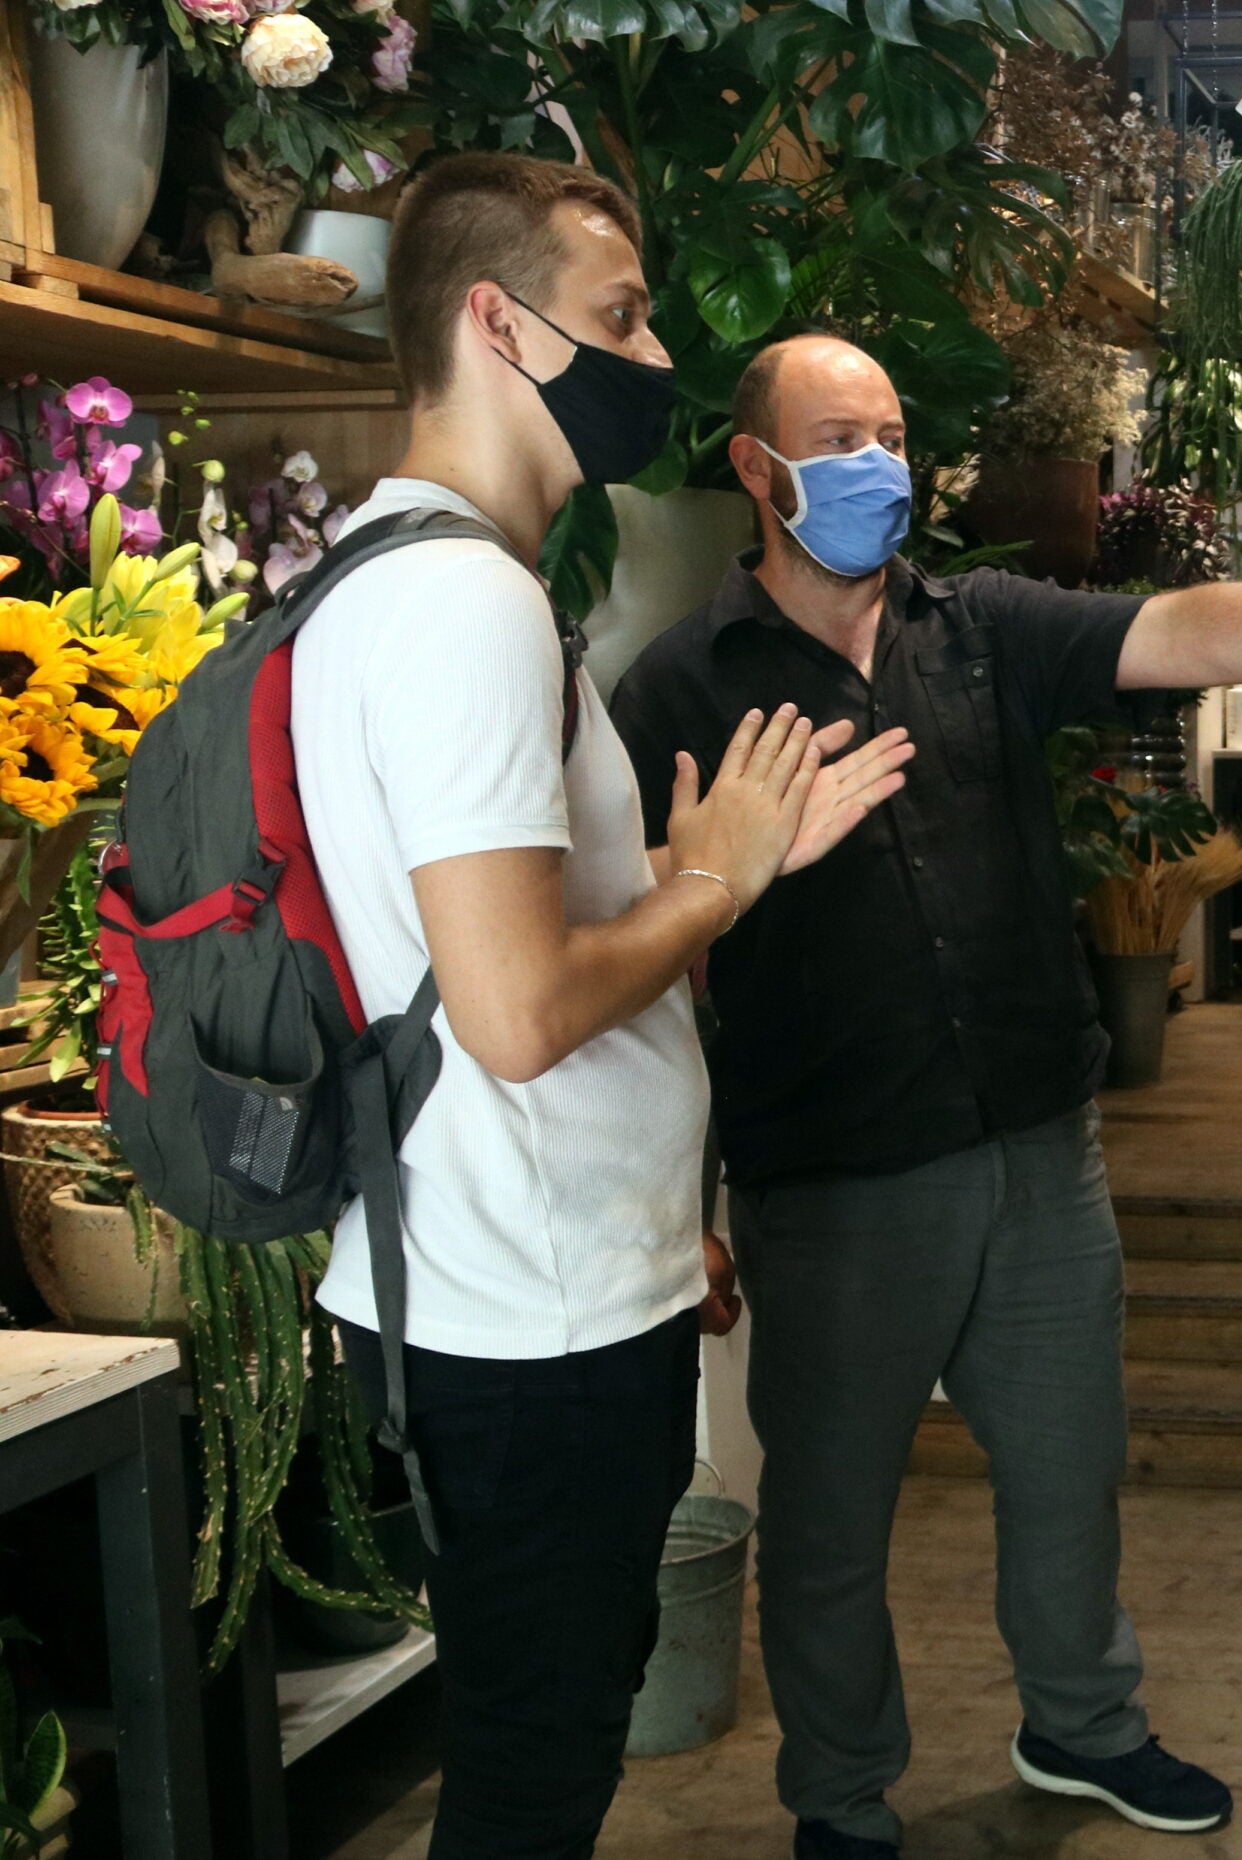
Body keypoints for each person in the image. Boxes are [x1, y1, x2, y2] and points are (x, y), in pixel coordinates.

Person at [608, 330, 1242, 1859]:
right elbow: (639, 956)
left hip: (1039, 1147)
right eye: (840, 440)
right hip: (830, 1182)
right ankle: (839, 1795)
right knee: (826, 1524)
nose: (877, 466)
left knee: (1068, 1468)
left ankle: (1081, 1726)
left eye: (893, 433)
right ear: (758, 471)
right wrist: (664, 1212)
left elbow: (1184, 627)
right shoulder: (681, 688)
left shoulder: (981, 629)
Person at [298, 159, 915, 1859]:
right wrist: (711, 882)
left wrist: (727, 853)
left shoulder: (388, 570)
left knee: (534, 1731)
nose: (652, 352)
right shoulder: (463, 604)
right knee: (538, 1760)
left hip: (514, 1279)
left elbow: (485, 930)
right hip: (528, 1320)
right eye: (622, 313)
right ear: (498, 321)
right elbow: (512, 1010)